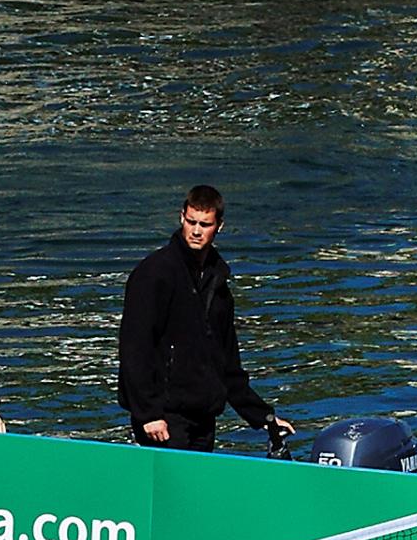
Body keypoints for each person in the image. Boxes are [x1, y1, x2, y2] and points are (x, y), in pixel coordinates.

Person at [116, 185, 293, 454]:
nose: (196, 231)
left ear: (218, 227)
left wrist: (264, 418)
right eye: (191, 222)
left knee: (194, 495)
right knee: (172, 493)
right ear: (181, 218)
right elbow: (134, 348)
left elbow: (228, 365)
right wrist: (148, 413)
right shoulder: (154, 273)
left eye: (205, 224)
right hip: (163, 417)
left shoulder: (218, 281)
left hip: (204, 416)